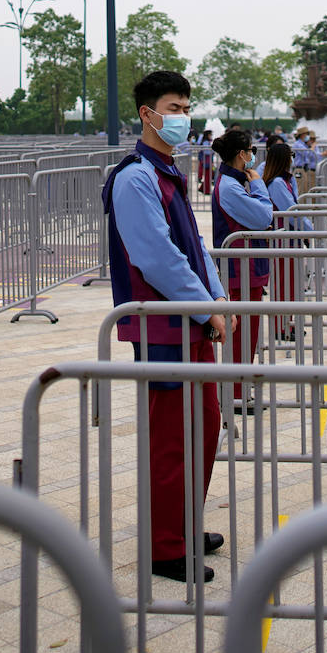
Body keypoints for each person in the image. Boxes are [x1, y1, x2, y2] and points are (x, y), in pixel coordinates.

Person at [102, 70, 230, 583]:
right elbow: (157, 257)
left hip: (189, 322)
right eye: (174, 107)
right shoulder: (135, 177)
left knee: (203, 425)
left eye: (186, 106)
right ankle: (164, 547)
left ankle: (183, 525)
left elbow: (195, 247)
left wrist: (216, 295)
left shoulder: (166, 171)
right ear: (147, 114)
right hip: (163, 327)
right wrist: (207, 307)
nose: (183, 116)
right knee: (173, 439)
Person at [210, 129, 273, 408]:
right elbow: (263, 217)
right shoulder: (230, 186)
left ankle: (239, 390)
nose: (252, 156)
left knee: (248, 335)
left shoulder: (233, 181)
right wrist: (259, 185)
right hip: (239, 272)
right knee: (241, 338)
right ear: (241, 154)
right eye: (251, 151)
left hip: (247, 269)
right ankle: (234, 394)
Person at [262, 142, 306, 342]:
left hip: (289, 239)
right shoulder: (278, 184)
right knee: (283, 284)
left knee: (289, 284)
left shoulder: (283, 180)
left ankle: (286, 323)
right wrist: (311, 232)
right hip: (283, 240)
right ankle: (281, 326)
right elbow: (292, 212)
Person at [196, 129, 215, 195]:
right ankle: (206, 190)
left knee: (208, 175)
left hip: (207, 160)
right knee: (207, 176)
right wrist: (213, 150)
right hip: (206, 161)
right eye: (210, 134)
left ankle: (202, 188)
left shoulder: (206, 141)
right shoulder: (205, 142)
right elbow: (206, 151)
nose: (211, 136)